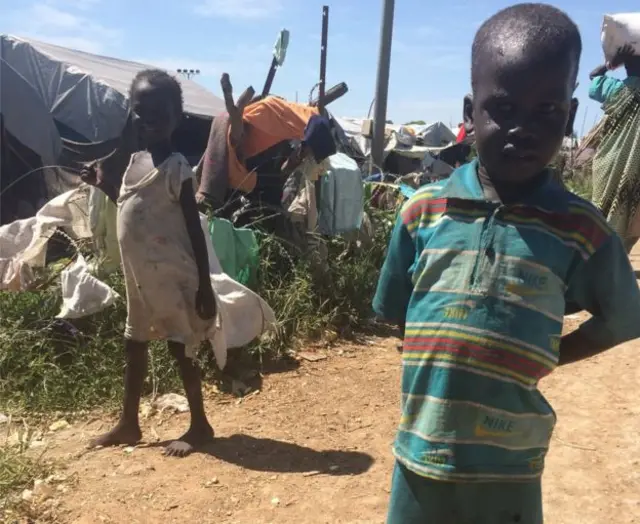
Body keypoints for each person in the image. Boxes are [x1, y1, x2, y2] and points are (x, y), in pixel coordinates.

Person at [373, 4, 640, 523]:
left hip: (511, 467)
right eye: (503, 107)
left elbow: (626, 317)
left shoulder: (580, 230)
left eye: (547, 111)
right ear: (471, 111)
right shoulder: (422, 213)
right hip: (420, 458)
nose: (522, 128)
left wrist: (546, 353)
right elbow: (399, 318)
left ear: (568, 116)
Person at [84, 69, 217, 457]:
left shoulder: (178, 167)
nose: (149, 120)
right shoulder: (135, 161)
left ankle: (200, 424)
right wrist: (103, 185)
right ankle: (129, 424)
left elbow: (195, 231)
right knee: (134, 344)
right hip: (139, 277)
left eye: (160, 112)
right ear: (132, 114)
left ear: (177, 116)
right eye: (141, 112)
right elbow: (129, 208)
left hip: (172, 276)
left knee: (181, 347)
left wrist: (205, 287)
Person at [589, 44, 640, 253]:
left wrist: (611, 64)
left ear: (625, 67)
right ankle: (620, 257)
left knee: (602, 210)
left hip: (610, 160)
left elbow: (594, 76)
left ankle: (599, 259)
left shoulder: (615, 89)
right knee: (633, 216)